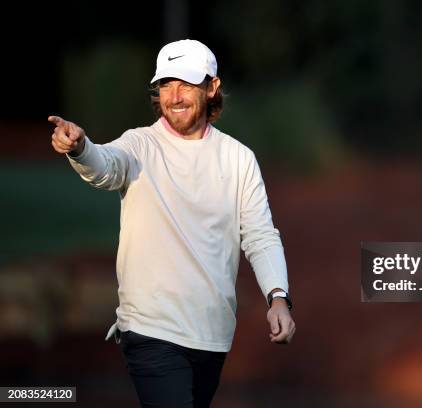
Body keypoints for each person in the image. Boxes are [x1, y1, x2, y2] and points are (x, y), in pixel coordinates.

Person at [48, 39, 295, 408]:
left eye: (186, 84)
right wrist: (81, 148)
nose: (174, 96)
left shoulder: (239, 159)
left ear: (211, 88)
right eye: (166, 84)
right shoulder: (140, 145)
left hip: (212, 337)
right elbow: (105, 166)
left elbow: (260, 234)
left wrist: (278, 297)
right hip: (151, 330)